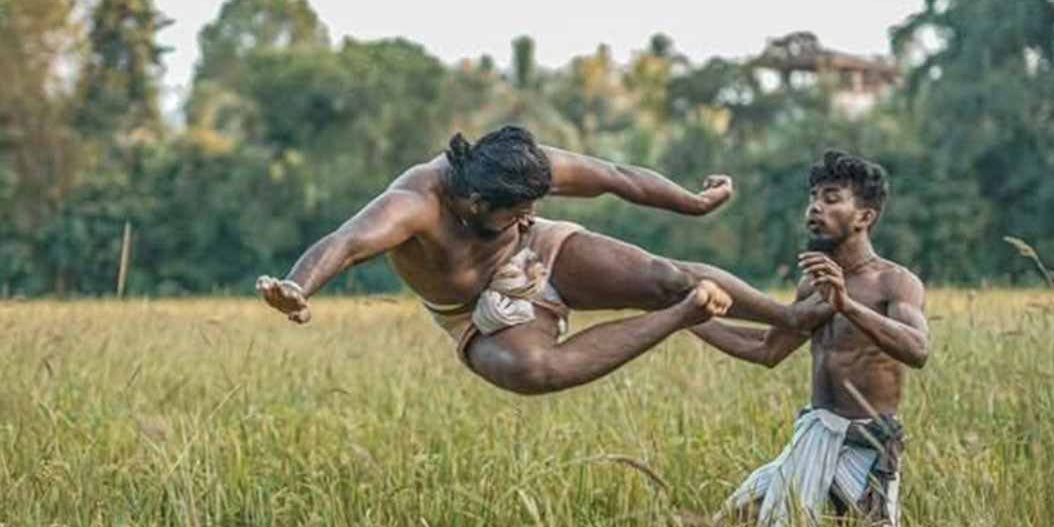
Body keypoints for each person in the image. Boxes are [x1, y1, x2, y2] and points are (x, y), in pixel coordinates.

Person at [256, 125, 826, 394]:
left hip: (541, 257)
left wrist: (694, 203)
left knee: (667, 277)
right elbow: (346, 241)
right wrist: (298, 286)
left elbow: (619, 177)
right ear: (476, 201)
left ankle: (787, 321)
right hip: (474, 309)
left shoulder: (522, 170)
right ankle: (682, 318)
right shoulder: (414, 204)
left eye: (535, 204)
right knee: (532, 372)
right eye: (517, 209)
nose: (527, 213)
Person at [691, 150, 929, 527]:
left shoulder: (895, 283)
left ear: (864, 217)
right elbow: (767, 350)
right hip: (815, 433)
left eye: (831, 198)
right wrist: (689, 320)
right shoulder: (812, 284)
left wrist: (847, 306)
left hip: (866, 443)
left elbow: (918, 350)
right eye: (813, 196)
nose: (815, 207)